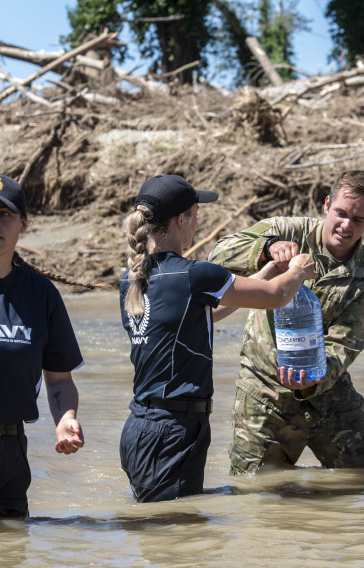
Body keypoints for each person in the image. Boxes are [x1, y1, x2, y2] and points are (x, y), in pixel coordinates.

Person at [119, 174, 317, 502]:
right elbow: (278, 296)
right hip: (173, 431)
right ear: (182, 220)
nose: (197, 223)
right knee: (178, 538)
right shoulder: (195, 273)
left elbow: (199, 317)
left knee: (164, 537)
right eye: (196, 215)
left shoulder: (133, 279)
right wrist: (298, 270)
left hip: (141, 427)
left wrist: (265, 273)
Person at [208, 170, 364, 474]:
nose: (346, 225)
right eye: (341, 213)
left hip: (328, 394)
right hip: (265, 390)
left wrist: (312, 380)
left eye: (358, 220)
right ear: (327, 204)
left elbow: (343, 345)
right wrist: (267, 249)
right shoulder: (286, 230)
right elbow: (219, 253)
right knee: (255, 494)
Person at [0, 174, 85, 518]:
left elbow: (59, 379)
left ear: (23, 224)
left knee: (10, 551)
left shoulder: (41, 294)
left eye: (4, 214)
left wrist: (66, 419)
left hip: (11, 456)